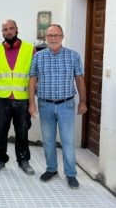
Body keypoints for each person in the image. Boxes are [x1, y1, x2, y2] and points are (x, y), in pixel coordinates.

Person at [28, 24, 87, 189]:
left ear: (62, 37)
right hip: (45, 105)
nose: (53, 38)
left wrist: (83, 101)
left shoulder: (73, 56)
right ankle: (52, 169)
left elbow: (79, 79)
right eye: (50, 35)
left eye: (56, 35)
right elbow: (32, 79)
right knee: (48, 141)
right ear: (46, 38)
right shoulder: (38, 57)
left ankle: (71, 174)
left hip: (66, 105)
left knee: (68, 142)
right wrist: (31, 103)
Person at [0, 19, 35, 176]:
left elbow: (35, 74)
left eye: (11, 28)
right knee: (1, 131)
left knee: (22, 131)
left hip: (22, 98)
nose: (9, 31)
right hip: (1, 99)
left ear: (17, 29)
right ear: (2, 32)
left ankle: (23, 160)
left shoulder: (30, 49)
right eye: (5, 29)